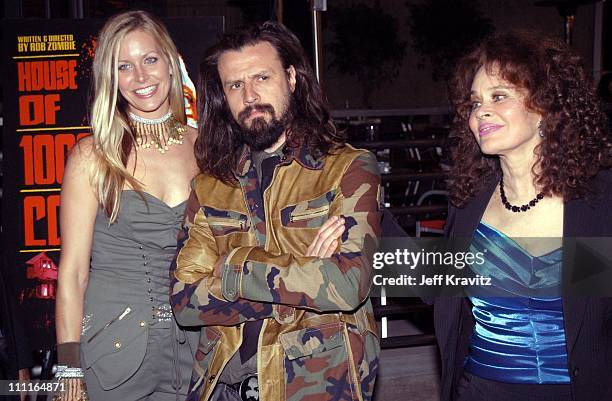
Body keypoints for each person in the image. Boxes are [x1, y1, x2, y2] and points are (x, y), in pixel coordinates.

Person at [170, 21, 381, 401]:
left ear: (292, 78)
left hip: (314, 383)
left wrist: (232, 268)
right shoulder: (209, 186)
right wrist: (301, 270)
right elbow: (185, 302)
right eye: (235, 85)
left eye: (262, 77)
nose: (249, 95)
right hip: (222, 385)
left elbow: (348, 285)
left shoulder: (347, 169)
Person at [436, 31, 612, 401]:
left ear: (545, 106)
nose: (480, 111)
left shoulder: (599, 202)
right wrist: (362, 225)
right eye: (474, 103)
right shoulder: (468, 204)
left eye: (498, 97)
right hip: (480, 391)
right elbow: (438, 286)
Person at [55, 10, 199, 401]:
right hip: (113, 348)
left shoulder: (206, 148)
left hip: (193, 350)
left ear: (170, 62)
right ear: (110, 77)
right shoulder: (92, 156)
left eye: (150, 60)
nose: (140, 77)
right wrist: (69, 366)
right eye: (124, 66)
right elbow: (72, 273)